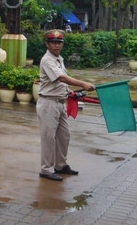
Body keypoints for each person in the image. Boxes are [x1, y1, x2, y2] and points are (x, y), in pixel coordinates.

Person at [36, 29, 95, 181]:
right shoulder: (47, 60)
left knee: (64, 136)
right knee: (48, 138)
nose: (57, 46)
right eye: (54, 43)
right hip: (49, 103)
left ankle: (60, 165)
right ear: (47, 44)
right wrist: (83, 83)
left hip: (60, 102)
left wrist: (72, 92)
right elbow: (61, 78)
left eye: (59, 43)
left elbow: (61, 83)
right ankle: (46, 170)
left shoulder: (59, 59)